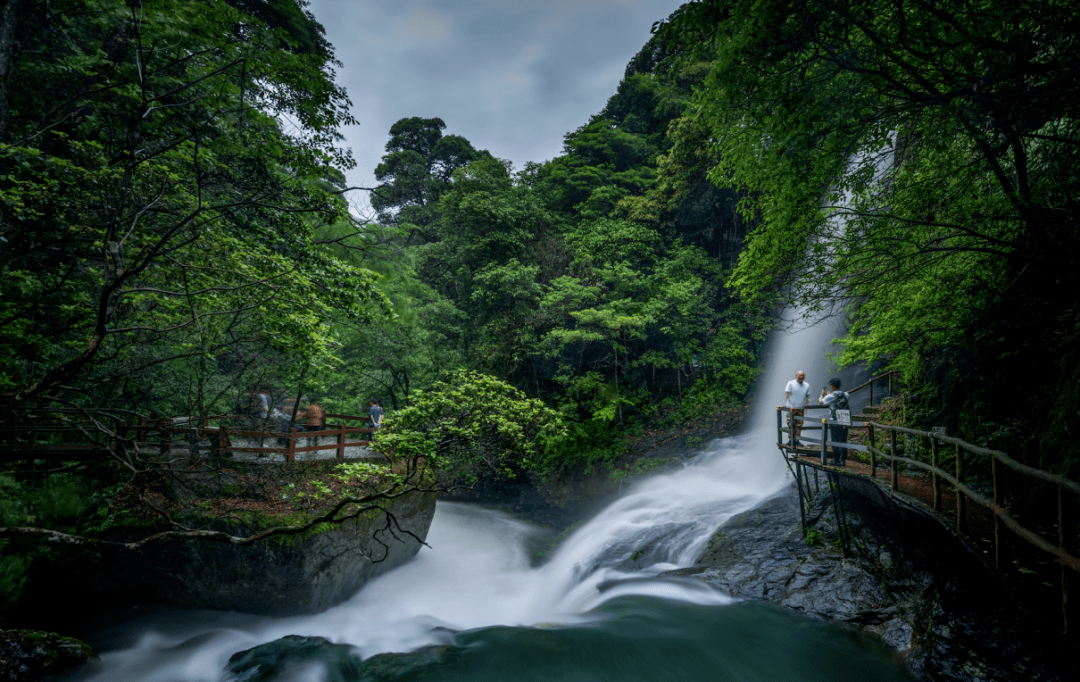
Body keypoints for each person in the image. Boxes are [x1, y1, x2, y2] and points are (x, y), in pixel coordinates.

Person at [819, 378, 851, 466]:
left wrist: (822, 394)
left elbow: (821, 402)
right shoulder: (846, 394)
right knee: (843, 440)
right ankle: (843, 460)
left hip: (835, 420)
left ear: (832, 386)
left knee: (835, 440)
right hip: (844, 419)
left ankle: (836, 460)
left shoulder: (831, 396)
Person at [784, 371, 811, 446]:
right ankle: (791, 440)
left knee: (799, 424)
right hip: (792, 408)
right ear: (796, 376)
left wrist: (806, 405)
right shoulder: (791, 383)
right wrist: (789, 406)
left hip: (801, 408)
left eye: (803, 375)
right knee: (790, 423)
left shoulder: (806, 385)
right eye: (800, 375)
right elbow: (787, 394)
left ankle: (797, 440)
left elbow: (807, 396)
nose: (801, 377)